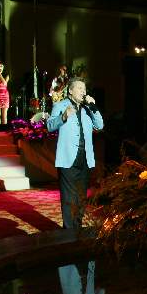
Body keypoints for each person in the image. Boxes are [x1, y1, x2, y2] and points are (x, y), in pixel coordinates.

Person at [46, 77, 104, 229]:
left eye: (84, 89)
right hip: (68, 158)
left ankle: (76, 228)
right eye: (79, 88)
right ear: (70, 91)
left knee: (81, 197)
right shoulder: (60, 105)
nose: (83, 92)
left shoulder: (87, 109)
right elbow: (50, 126)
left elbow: (100, 125)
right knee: (69, 198)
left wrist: (93, 106)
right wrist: (63, 116)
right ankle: (68, 232)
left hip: (85, 158)